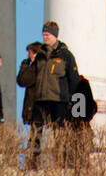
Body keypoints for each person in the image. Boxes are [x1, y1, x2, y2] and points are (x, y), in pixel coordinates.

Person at [17, 21, 80, 166]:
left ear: (55, 35)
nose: (45, 37)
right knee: (35, 132)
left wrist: (73, 103)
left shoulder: (66, 55)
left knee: (60, 133)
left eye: (48, 34)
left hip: (58, 100)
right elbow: (27, 80)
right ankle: (32, 162)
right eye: (44, 34)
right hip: (40, 100)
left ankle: (63, 162)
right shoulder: (39, 56)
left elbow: (74, 80)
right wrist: (27, 63)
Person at [17, 43, 43, 126]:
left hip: (35, 106)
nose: (28, 56)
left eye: (30, 53)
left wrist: (24, 66)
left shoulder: (36, 68)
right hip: (39, 106)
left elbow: (22, 81)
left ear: (36, 54)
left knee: (35, 133)